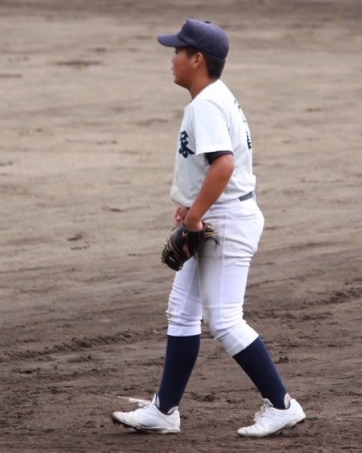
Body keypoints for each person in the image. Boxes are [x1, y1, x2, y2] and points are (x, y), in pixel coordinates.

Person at [111, 18, 306, 437]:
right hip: (223, 212)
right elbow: (214, 167)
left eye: (178, 51)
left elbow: (224, 164)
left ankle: (282, 405)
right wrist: (192, 205)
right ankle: (165, 410)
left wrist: (195, 216)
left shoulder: (206, 105)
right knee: (182, 312)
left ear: (197, 59)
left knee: (225, 320)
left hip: (227, 221)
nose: (172, 58)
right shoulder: (214, 97)